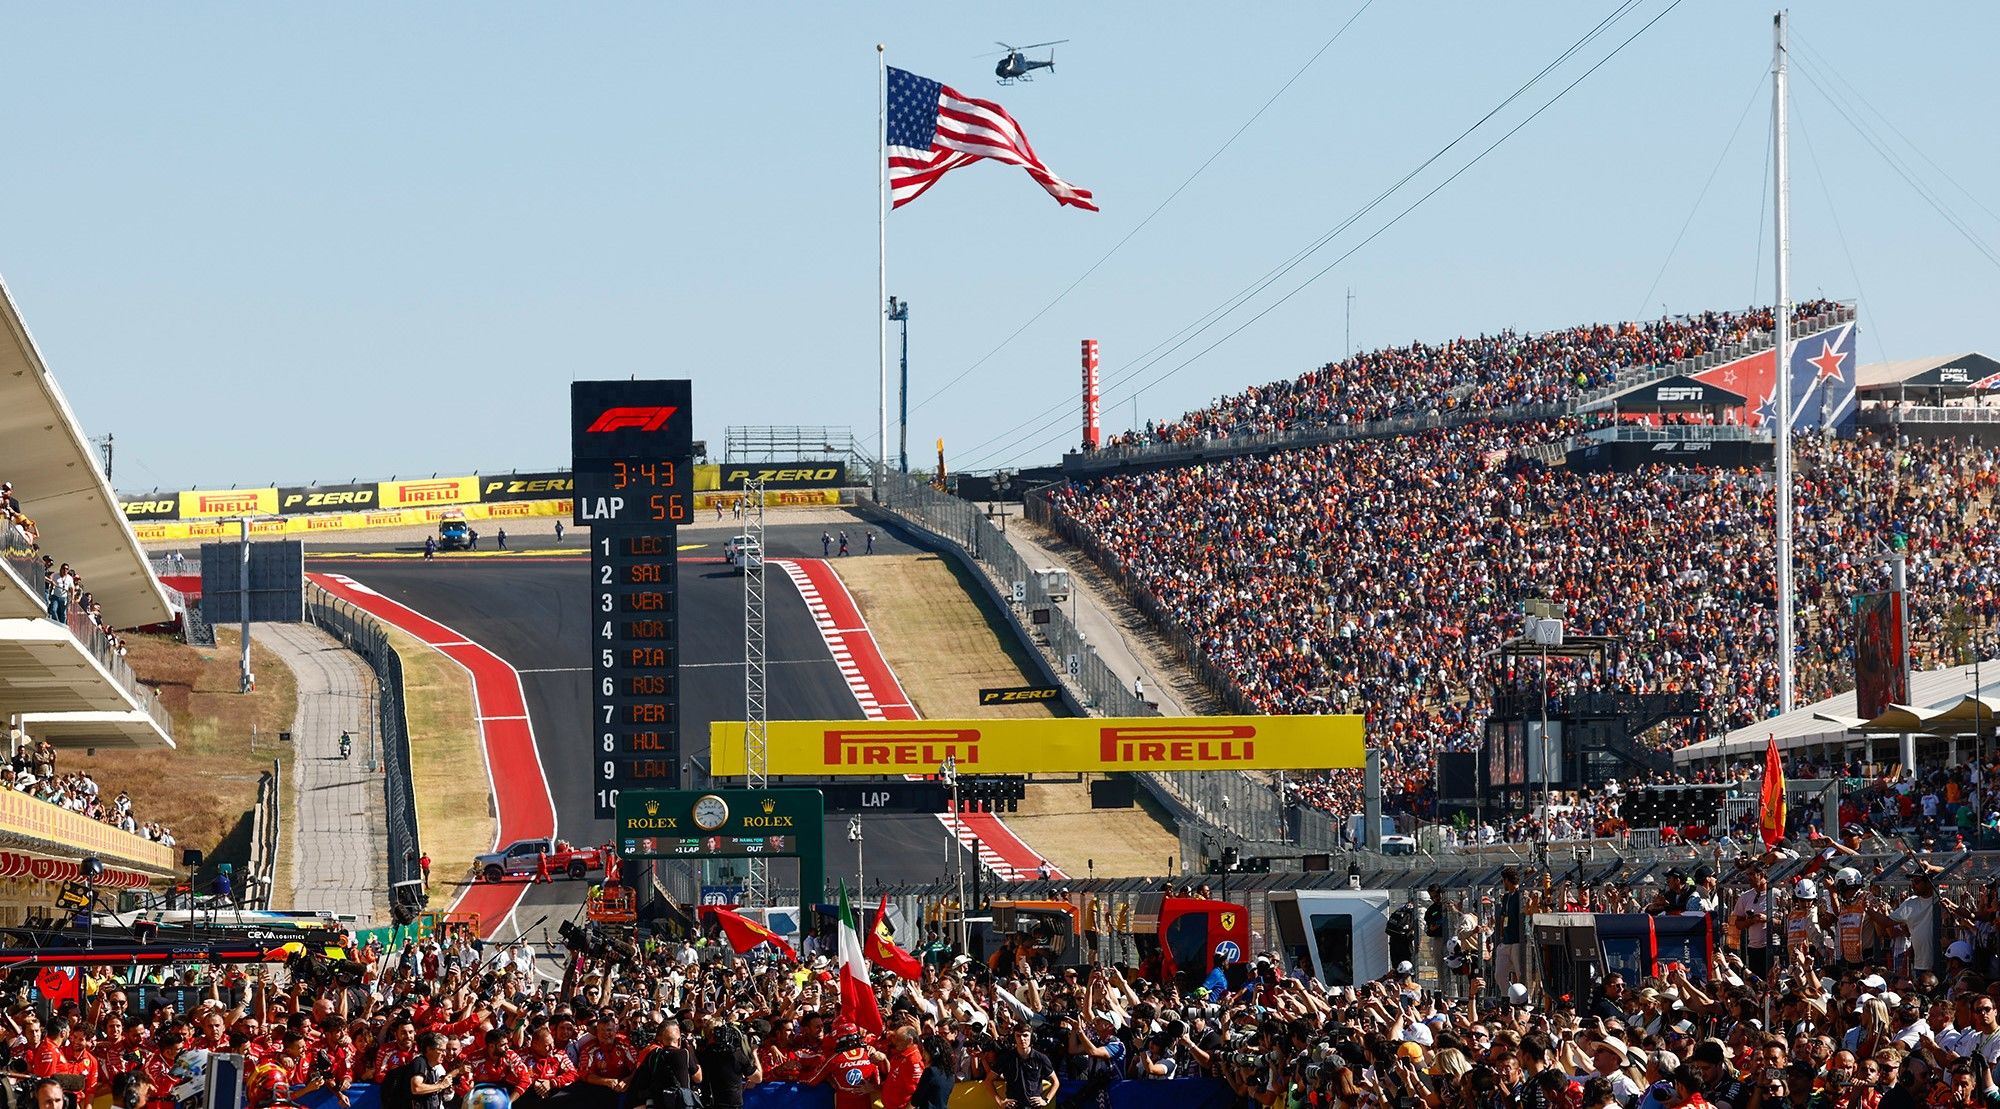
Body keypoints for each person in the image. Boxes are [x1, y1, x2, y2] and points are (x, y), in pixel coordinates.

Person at [987, 1025, 1055, 1109]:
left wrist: (1046, 1100)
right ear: (1014, 1037)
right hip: (1013, 1106)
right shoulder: (1006, 1058)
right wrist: (1000, 1102)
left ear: (1032, 1037)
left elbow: (1056, 1082)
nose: (1022, 1039)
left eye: (1025, 1035)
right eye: (1018, 1035)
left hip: (1034, 1107)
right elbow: (988, 1081)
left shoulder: (1041, 1058)